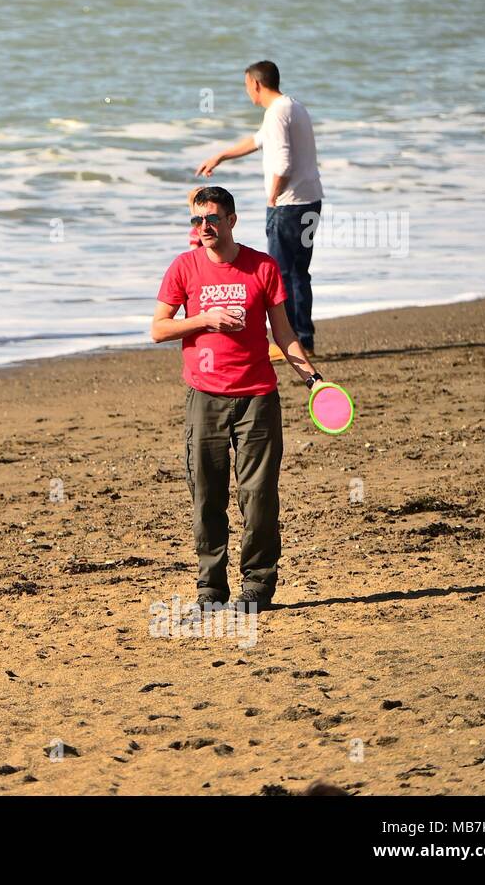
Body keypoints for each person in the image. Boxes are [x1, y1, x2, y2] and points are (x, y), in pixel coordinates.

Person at [151, 186, 324, 610]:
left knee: (259, 495)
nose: (204, 227)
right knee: (207, 495)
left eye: (211, 218)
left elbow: (283, 333)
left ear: (231, 220)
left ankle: (258, 587)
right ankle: (211, 589)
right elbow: (157, 328)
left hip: (257, 397)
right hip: (204, 397)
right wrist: (204, 319)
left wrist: (313, 378)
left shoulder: (262, 267)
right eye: (196, 220)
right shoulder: (184, 267)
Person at [195, 61, 323, 358]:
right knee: (298, 273)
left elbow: (283, 162)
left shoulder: (276, 113)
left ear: (255, 84)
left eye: (245, 86)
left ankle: (288, 343)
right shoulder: (292, 106)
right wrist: (221, 156)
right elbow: (257, 141)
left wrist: (273, 196)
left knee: (279, 275)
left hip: (288, 205)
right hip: (310, 200)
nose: (246, 91)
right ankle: (304, 338)